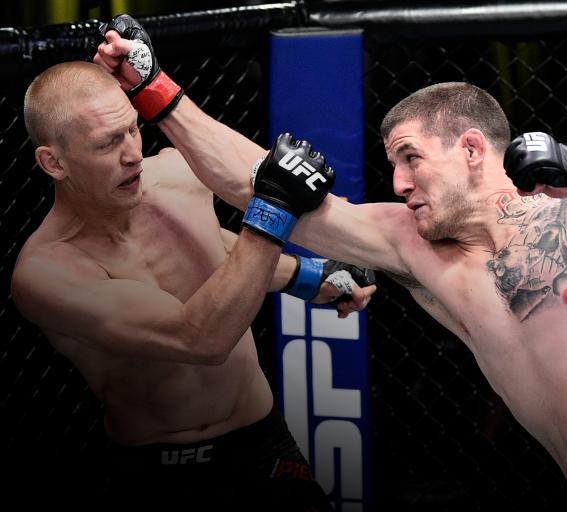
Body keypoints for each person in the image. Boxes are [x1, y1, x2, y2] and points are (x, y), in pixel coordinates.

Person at [95, 15, 567, 510]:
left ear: (473, 149)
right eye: (391, 163)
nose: (398, 182)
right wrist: (159, 93)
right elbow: (259, 184)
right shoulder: (408, 246)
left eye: (411, 157)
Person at [10, 59, 377, 509]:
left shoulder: (176, 176)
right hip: (161, 474)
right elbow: (200, 338)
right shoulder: (47, 272)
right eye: (107, 144)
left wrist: (306, 277)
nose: (131, 154)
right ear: (53, 162)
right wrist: (272, 211)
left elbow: (211, 247)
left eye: (132, 129)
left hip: (264, 441)